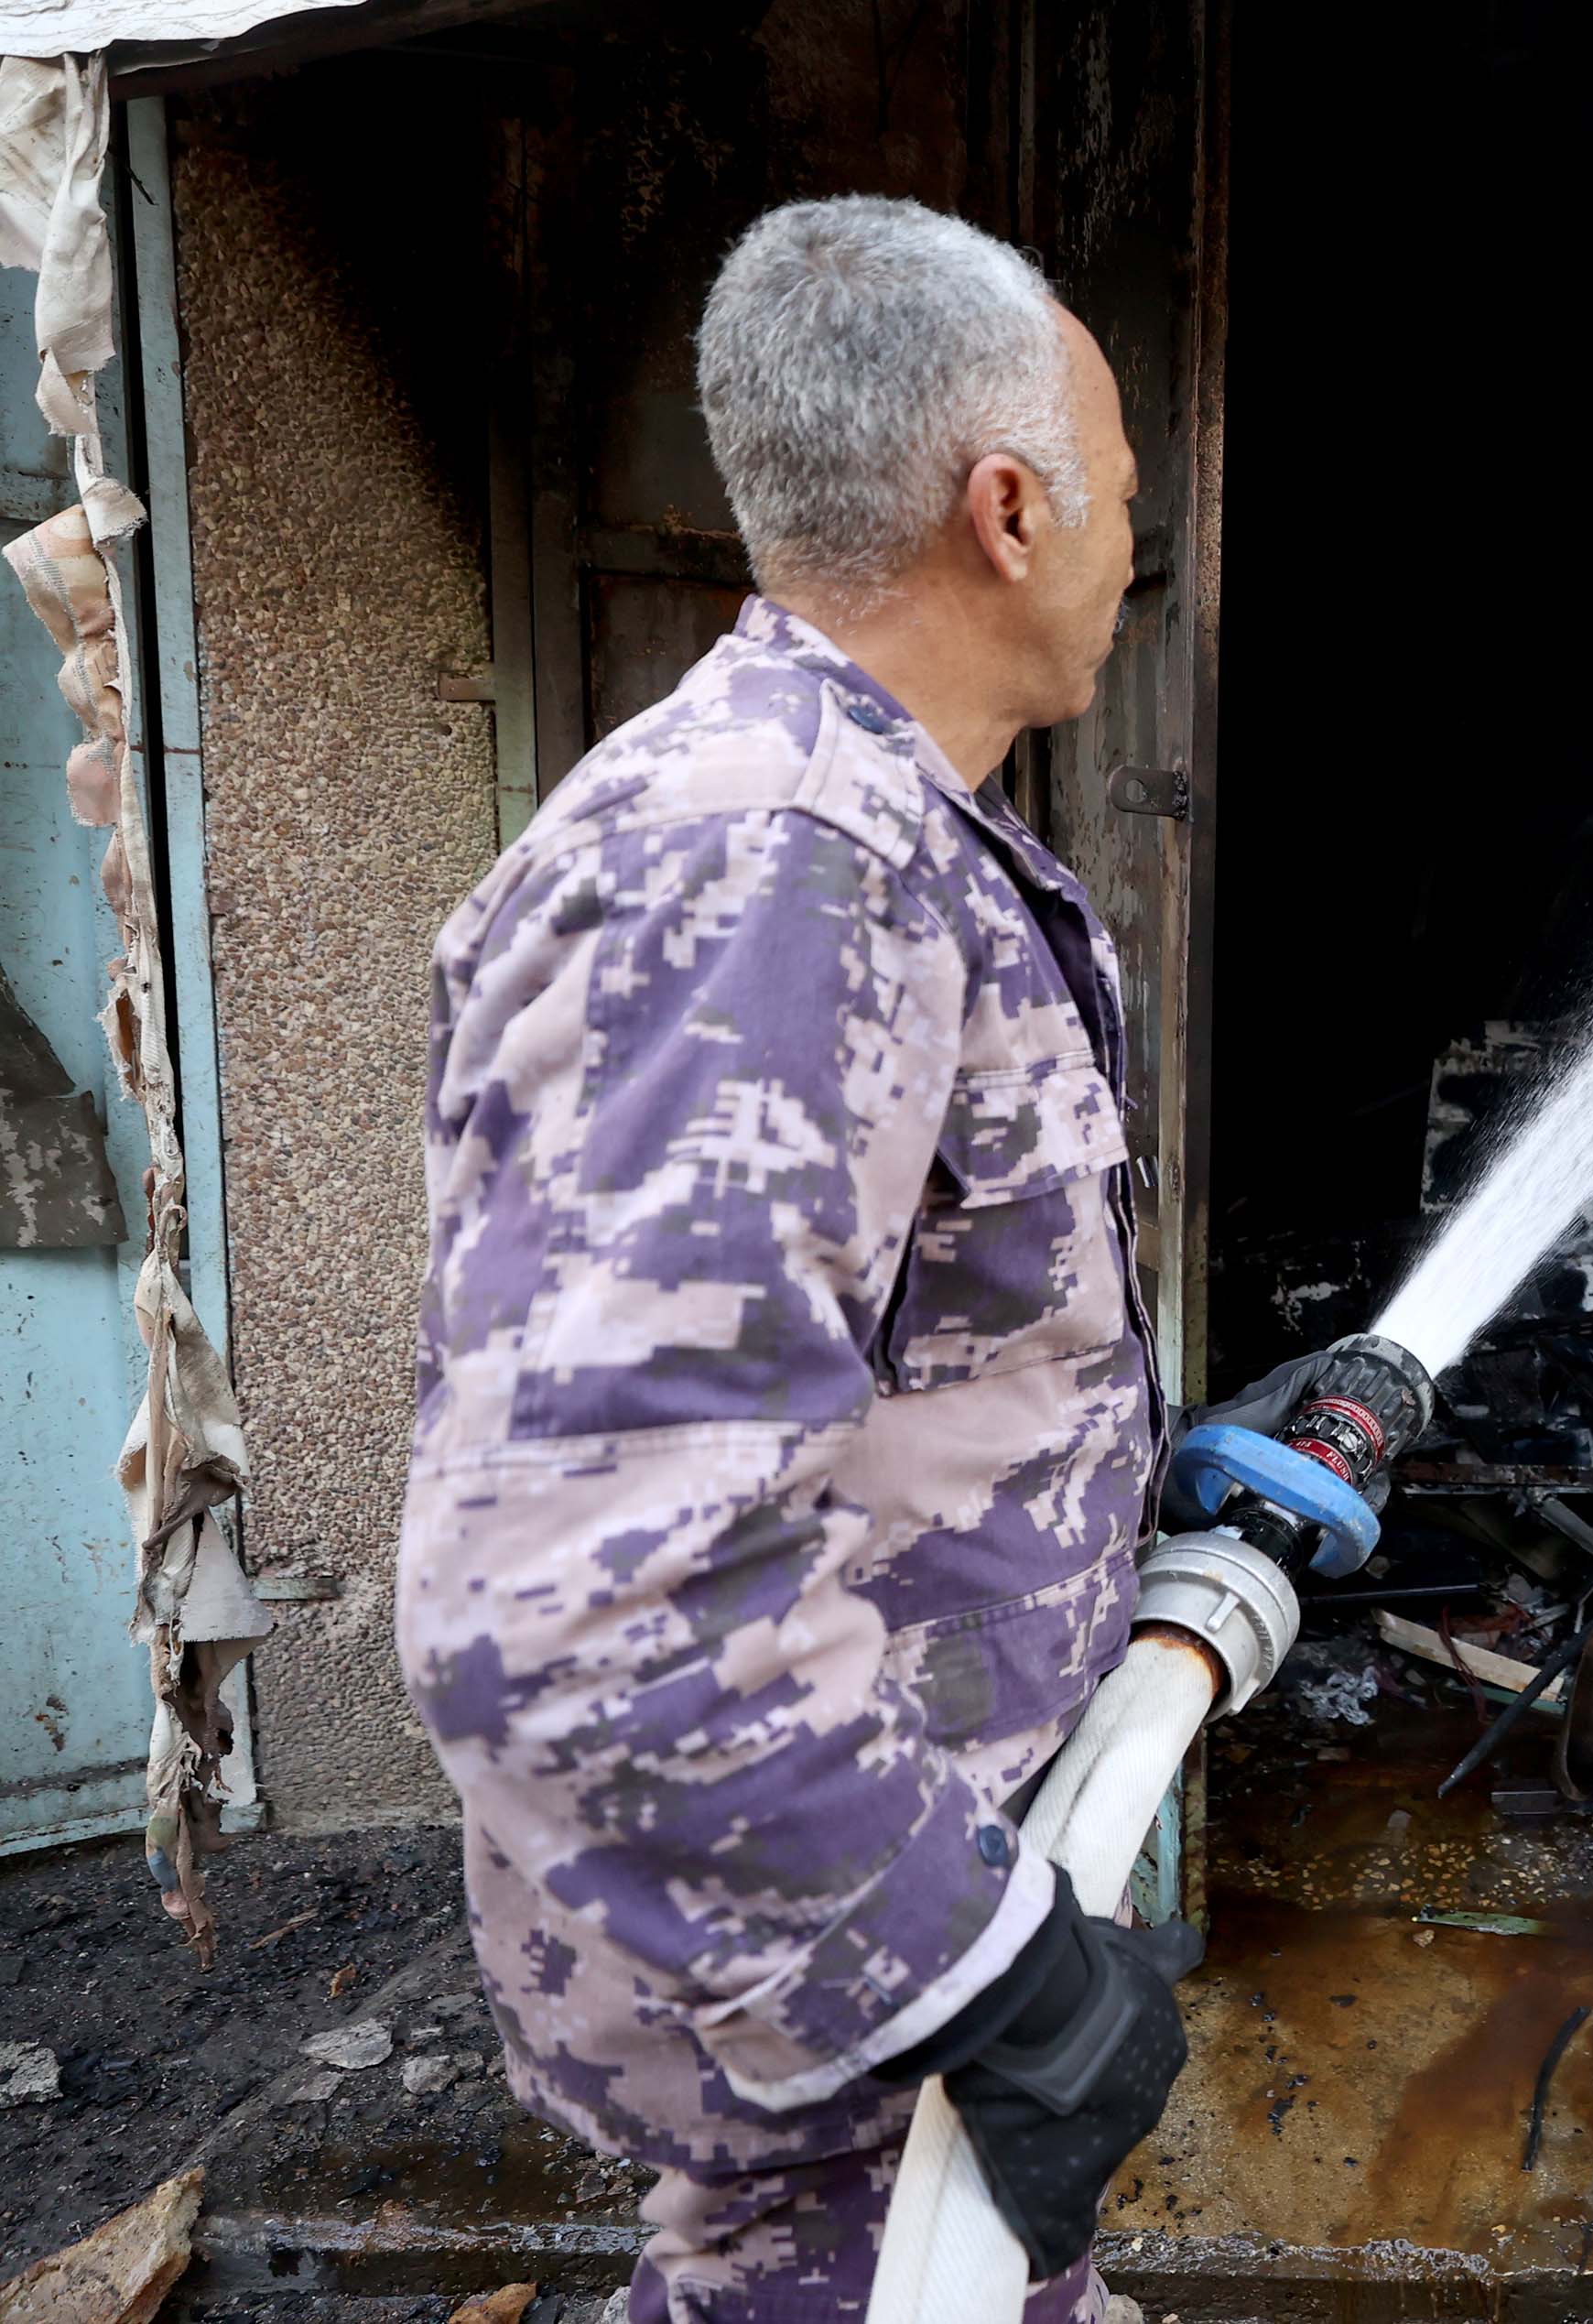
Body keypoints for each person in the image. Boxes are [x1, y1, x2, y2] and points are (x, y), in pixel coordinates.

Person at [397, 197, 1193, 2324]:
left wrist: (1126, 1476)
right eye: (1123, 491)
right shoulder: (778, 867)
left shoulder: (853, 827)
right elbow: (575, 1587)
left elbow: (858, 1368)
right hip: (840, 2006)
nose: (1146, 540)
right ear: (1006, 510)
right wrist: (980, 1967)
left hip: (852, 1971)